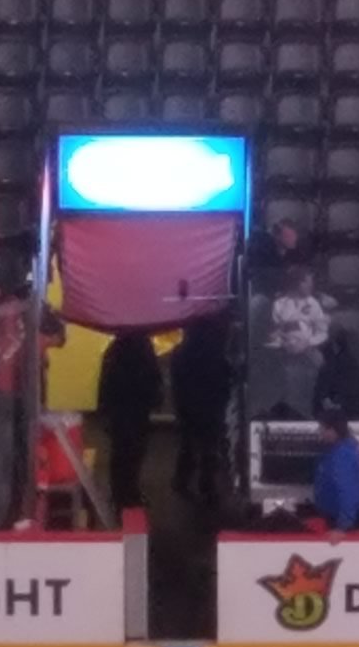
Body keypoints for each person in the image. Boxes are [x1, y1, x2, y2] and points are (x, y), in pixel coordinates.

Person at [170, 313, 233, 507]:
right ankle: (207, 487)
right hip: (211, 406)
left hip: (188, 405)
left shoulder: (180, 353)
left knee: (188, 445)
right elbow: (225, 378)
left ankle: (181, 480)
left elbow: (177, 382)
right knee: (209, 448)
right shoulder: (216, 353)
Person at [97, 331, 164, 514]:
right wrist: (156, 400)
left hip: (120, 411)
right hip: (138, 410)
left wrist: (104, 411)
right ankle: (130, 492)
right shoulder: (145, 348)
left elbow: (104, 383)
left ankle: (120, 496)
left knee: (120, 454)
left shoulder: (114, 350)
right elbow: (154, 377)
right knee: (135, 452)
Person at [268, 267, 333, 417]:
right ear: (298, 284)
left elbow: (322, 332)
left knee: (318, 370)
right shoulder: (279, 304)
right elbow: (274, 333)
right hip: (285, 355)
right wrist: (282, 342)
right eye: (307, 282)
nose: (311, 286)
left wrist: (308, 342)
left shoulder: (314, 304)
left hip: (309, 353)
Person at [308, 411, 359, 541]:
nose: (319, 432)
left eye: (322, 428)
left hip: (340, 521)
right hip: (336, 516)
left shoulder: (342, 455)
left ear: (332, 430)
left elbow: (348, 490)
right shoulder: (342, 448)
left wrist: (343, 528)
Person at [313, 326, 359, 421]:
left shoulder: (345, 365)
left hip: (343, 418)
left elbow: (355, 395)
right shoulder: (333, 364)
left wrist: (335, 405)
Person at [246, 217, 310, 294]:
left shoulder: (295, 253)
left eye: (295, 233)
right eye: (290, 234)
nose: (294, 237)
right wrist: (286, 275)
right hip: (263, 292)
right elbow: (259, 274)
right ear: (277, 234)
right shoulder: (261, 248)